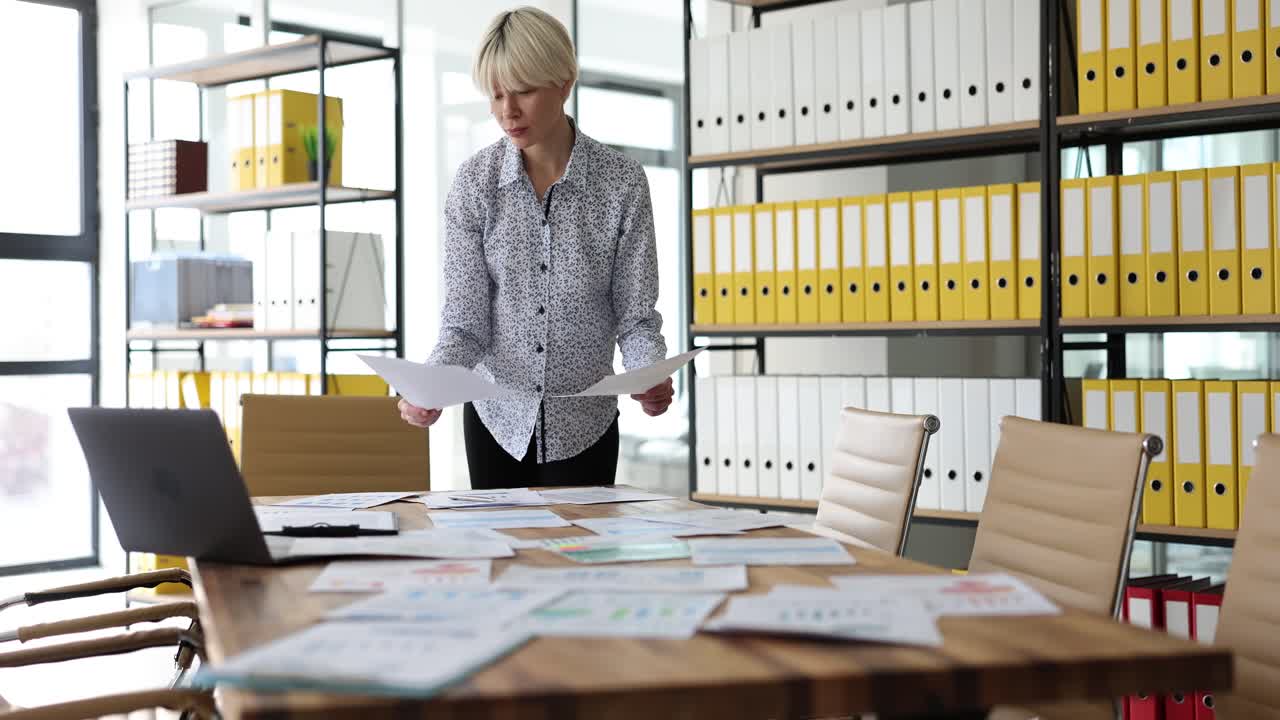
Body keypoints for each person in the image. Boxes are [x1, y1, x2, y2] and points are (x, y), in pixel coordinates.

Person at [398, 6, 673, 488]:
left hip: (585, 426)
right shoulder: (474, 184)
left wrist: (649, 373)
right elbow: (465, 321)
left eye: (523, 90)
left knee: (578, 561)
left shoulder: (622, 184)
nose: (508, 111)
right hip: (496, 425)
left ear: (564, 81)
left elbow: (635, 314)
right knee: (501, 560)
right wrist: (431, 386)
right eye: (496, 94)